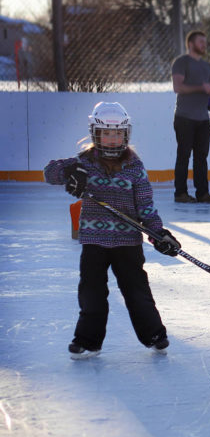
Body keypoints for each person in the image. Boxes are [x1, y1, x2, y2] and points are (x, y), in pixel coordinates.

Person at [43, 102, 180, 360]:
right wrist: (69, 171)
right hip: (94, 241)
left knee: (137, 290)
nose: (112, 138)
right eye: (106, 133)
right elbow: (49, 173)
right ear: (95, 133)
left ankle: (154, 335)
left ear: (125, 134)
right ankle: (87, 340)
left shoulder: (135, 167)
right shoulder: (84, 162)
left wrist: (159, 233)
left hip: (128, 243)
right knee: (91, 292)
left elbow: (146, 207)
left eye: (117, 133)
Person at [171, 29, 210, 204]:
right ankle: (180, 193)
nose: (204, 45)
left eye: (205, 42)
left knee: (201, 157)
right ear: (190, 44)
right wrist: (201, 88)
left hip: (202, 119)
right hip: (184, 117)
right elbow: (178, 87)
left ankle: (202, 193)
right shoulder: (181, 62)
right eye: (201, 41)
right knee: (183, 155)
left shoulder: (207, 67)